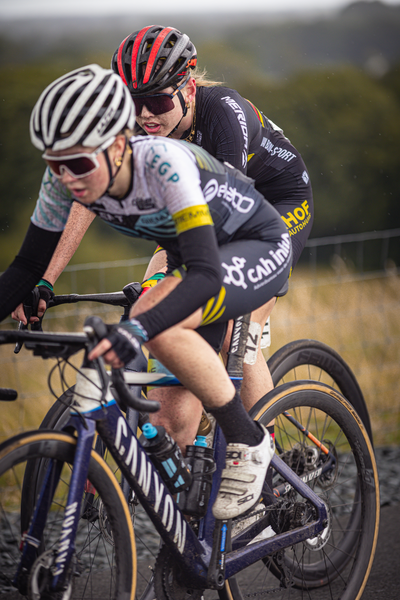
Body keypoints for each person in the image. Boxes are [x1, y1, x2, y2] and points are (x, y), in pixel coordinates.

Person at [0, 64, 291, 519]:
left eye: (77, 164)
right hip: (193, 251)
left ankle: (249, 441)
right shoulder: (66, 175)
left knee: (158, 320)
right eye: (54, 164)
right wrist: (37, 287)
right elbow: (25, 266)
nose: (67, 178)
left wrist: (137, 329)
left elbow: (204, 274)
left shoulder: (163, 165)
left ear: (118, 144)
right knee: (171, 422)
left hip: (254, 244)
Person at [12, 25, 313, 420]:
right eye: (133, 101)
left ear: (188, 89)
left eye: (156, 100)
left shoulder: (223, 111)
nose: (145, 115)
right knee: (156, 298)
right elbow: (88, 199)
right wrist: (44, 281)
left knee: (233, 333)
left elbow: (225, 218)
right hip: (194, 211)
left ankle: (258, 457)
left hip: (271, 206)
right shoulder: (132, 123)